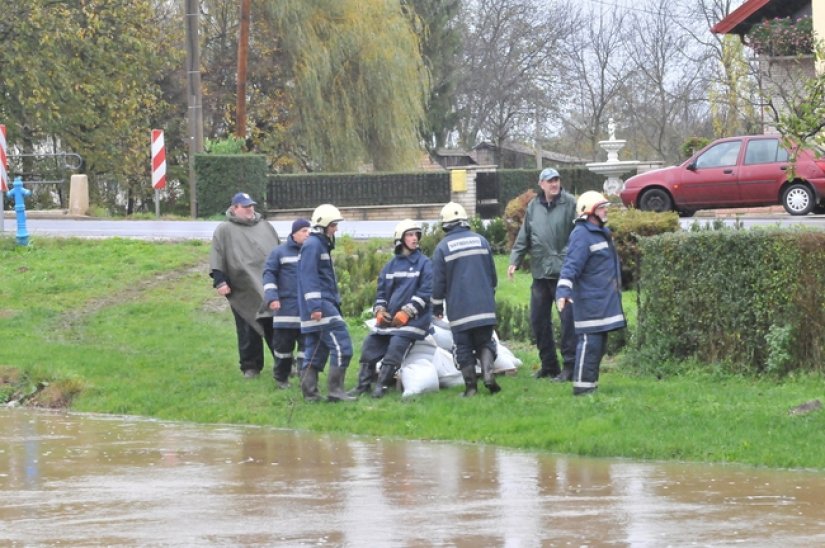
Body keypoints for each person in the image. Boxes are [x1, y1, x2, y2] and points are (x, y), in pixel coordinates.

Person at [348, 219, 433, 398]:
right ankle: (363, 386)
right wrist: (379, 311)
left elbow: (426, 291)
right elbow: (381, 293)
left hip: (415, 321)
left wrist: (407, 312)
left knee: (396, 344)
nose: (415, 238)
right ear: (400, 239)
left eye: (416, 234)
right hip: (391, 321)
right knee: (370, 344)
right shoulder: (390, 266)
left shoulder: (424, 263)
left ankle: (381, 387)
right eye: (410, 234)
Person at [508, 167, 577, 381]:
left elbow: (578, 236)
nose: (554, 184)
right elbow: (524, 235)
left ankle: (570, 366)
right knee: (538, 320)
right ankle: (549, 365)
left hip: (563, 273)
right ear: (542, 184)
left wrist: (564, 258)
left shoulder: (570, 204)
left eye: (556, 180)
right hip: (540, 273)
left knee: (567, 322)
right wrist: (514, 261)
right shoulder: (534, 206)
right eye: (550, 181)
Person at [555, 191, 627, 396]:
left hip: (602, 301)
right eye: (602, 207)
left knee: (598, 344)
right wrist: (563, 291)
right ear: (590, 211)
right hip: (590, 303)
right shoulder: (582, 234)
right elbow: (570, 266)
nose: (606, 210)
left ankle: (590, 386)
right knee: (590, 343)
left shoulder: (600, 232)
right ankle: (582, 389)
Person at [431, 202, 500, 397]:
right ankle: (488, 374)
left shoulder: (442, 248)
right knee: (485, 342)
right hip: (485, 306)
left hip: (460, 309)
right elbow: (492, 276)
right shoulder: (482, 241)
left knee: (463, 347)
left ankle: (471, 389)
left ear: (445, 224)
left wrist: (436, 306)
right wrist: (489, 296)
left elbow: (438, 282)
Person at [209, 192, 281, 378]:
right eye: (245, 206)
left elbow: (279, 250)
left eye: (251, 206)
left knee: (276, 323)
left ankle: (284, 361)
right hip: (242, 287)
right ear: (235, 208)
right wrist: (220, 281)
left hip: (268, 284)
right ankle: (251, 366)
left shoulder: (265, 226)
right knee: (248, 326)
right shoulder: (224, 230)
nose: (250, 210)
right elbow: (217, 255)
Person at [297, 204, 355, 402]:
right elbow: (309, 277)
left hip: (319, 306)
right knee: (343, 346)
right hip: (320, 306)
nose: (336, 229)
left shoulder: (317, 244)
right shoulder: (314, 245)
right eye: (333, 225)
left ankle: (310, 394)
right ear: (323, 225)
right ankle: (335, 391)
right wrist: (315, 307)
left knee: (315, 351)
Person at [262, 218, 312, 389]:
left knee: (307, 348)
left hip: (308, 312)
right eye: (304, 231)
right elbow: (269, 275)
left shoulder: (312, 252)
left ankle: (306, 378)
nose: (308, 234)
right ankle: (281, 379)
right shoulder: (279, 253)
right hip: (285, 311)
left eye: (309, 230)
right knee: (283, 349)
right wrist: (272, 297)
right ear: (294, 233)